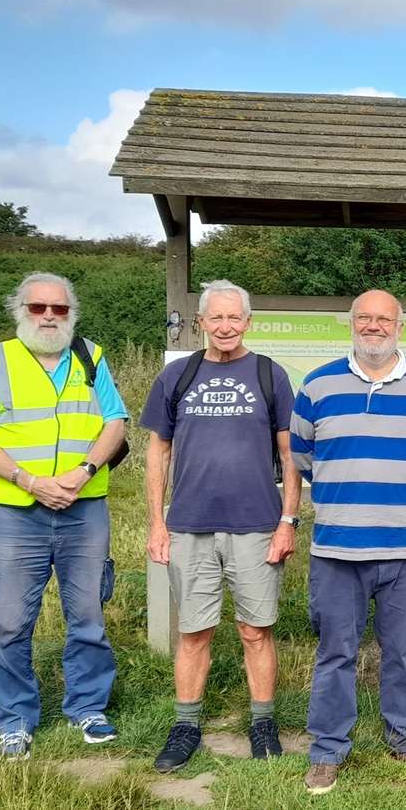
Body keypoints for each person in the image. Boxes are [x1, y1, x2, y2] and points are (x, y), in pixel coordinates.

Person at [291, 289, 406, 793]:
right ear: (351, 324)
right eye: (364, 318)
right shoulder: (318, 385)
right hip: (338, 548)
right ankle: (327, 749)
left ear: (400, 327)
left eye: (383, 319)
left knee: (405, 650)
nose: (373, 326)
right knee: (335, 651)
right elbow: (303, 456)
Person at [0, 272, 128, 760]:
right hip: (17, 513)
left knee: (89, 615)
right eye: (38, 308)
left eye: (59, 308)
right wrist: (30, 482)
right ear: (21, 311)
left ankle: (88, 707)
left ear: (72, 314)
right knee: (10, 621)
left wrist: (84, 470)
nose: (49, 316)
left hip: (84, 506)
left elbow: (115, 422)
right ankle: (15, 720)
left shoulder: (90, 357)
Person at [141, 280, 301, 773]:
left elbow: (289, 454)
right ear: (201, 322)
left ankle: (263, 723)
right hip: (189, 525)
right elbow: (157, 452)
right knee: (194, 632)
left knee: (256, 630)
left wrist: (288, 521)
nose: (226, 327)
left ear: (248, 322)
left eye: (235, 318)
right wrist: (157, 523)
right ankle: (186, 725)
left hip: (256, 524)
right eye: (217, 318)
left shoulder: (270, 375)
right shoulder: (177, 377)